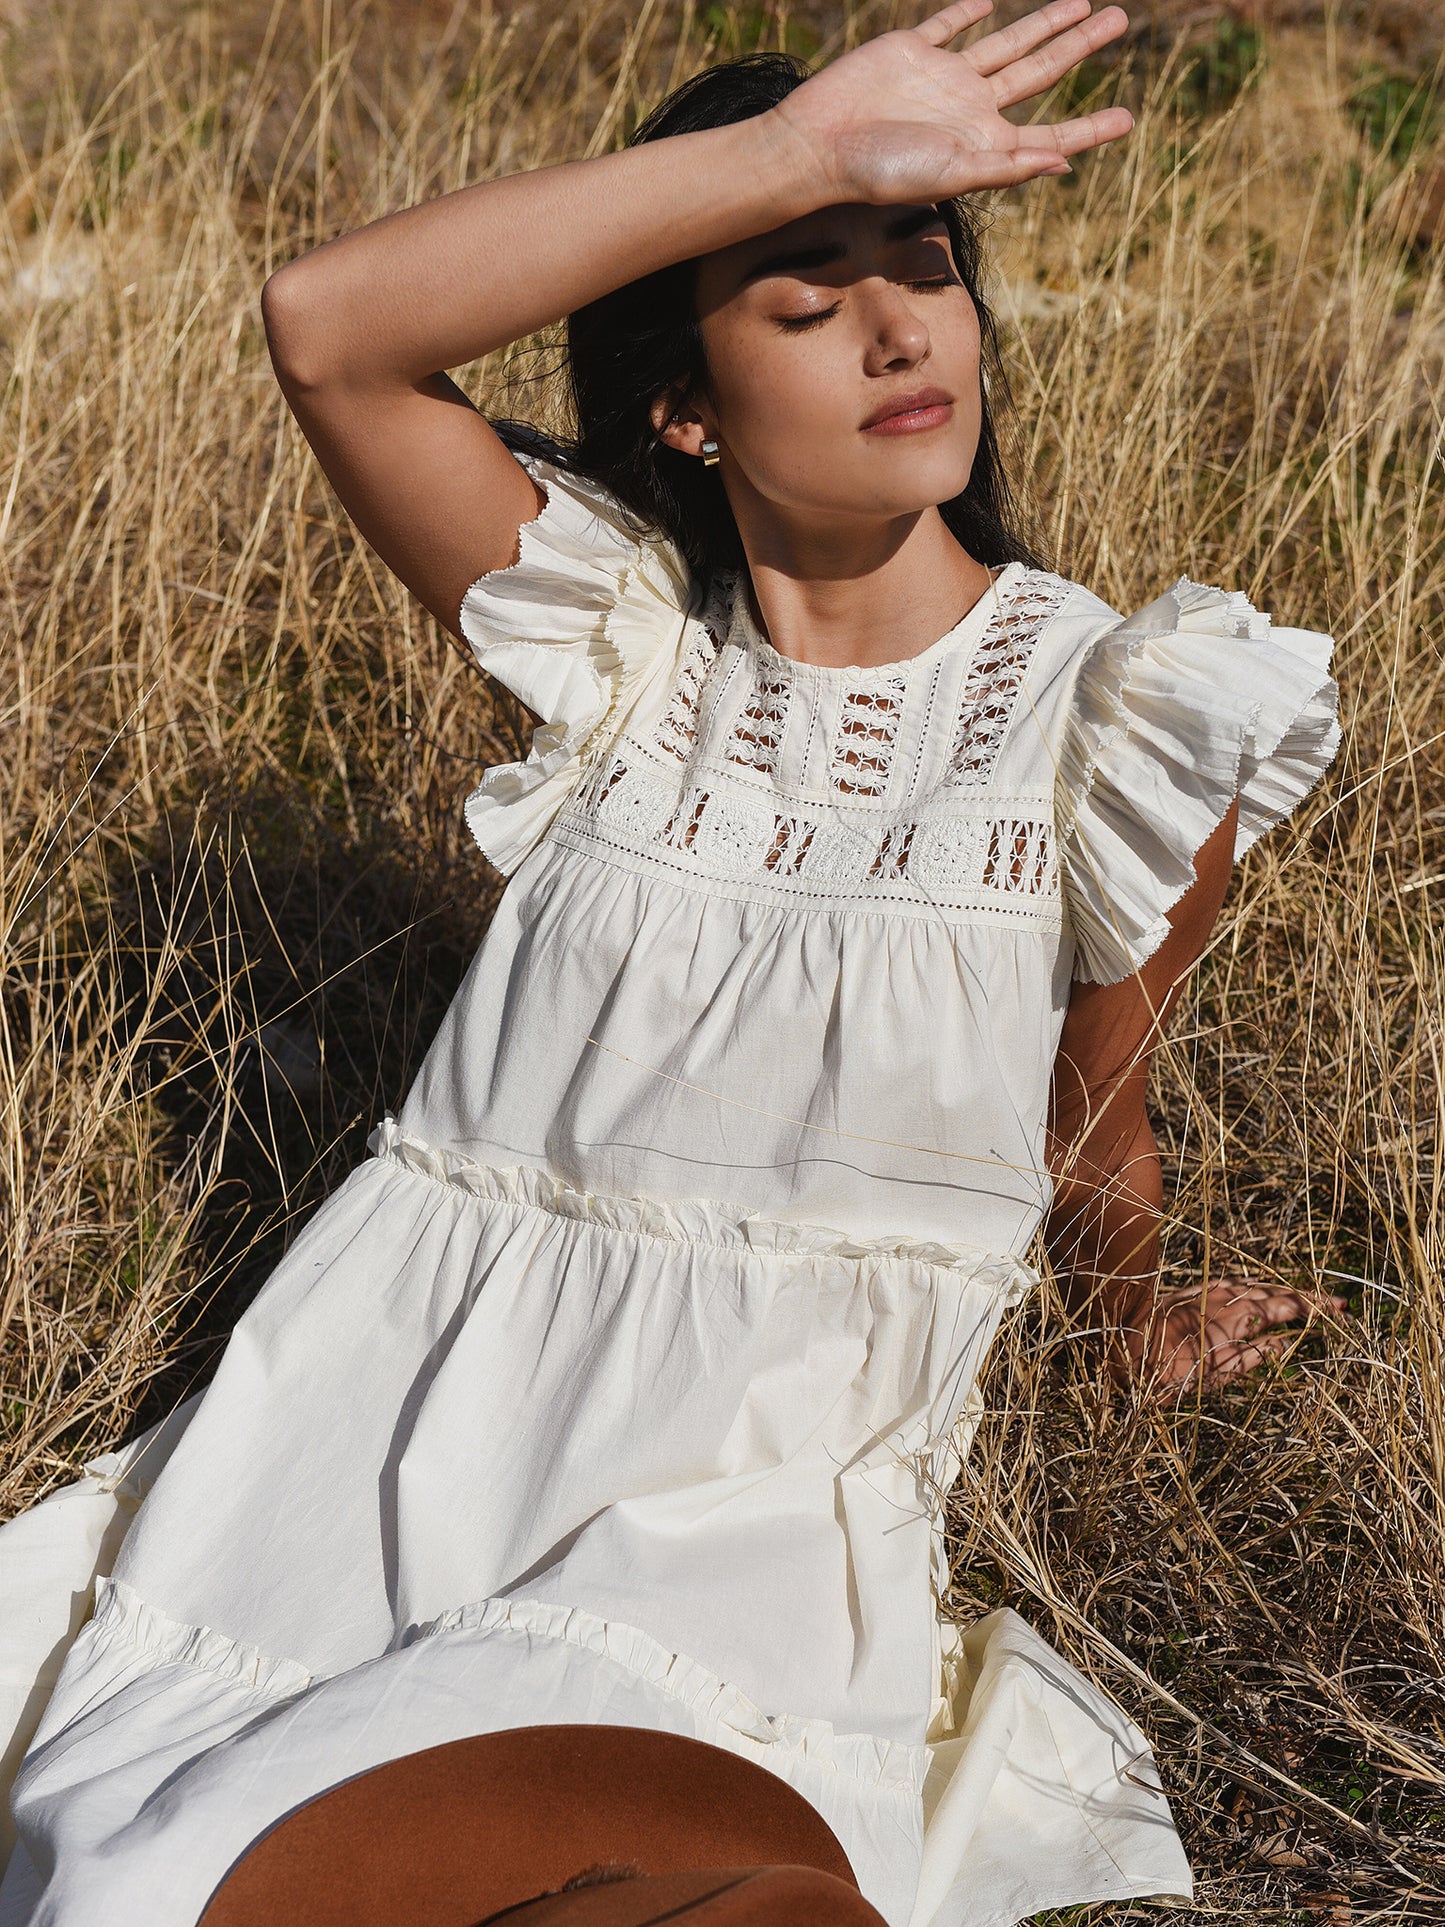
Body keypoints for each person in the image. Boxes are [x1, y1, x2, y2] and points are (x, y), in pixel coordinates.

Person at [0, 2, 1346, 1922]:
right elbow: (328, 327)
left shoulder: (1123, 714)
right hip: (376, 1436)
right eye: (805, 301)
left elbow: (1093, 1105)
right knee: (135, 1882)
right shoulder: (625, 644)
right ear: (684, 410)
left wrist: (1123, 1315)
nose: (900, 333)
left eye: (926, 269)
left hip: (749, 1503)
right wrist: (794, 154)